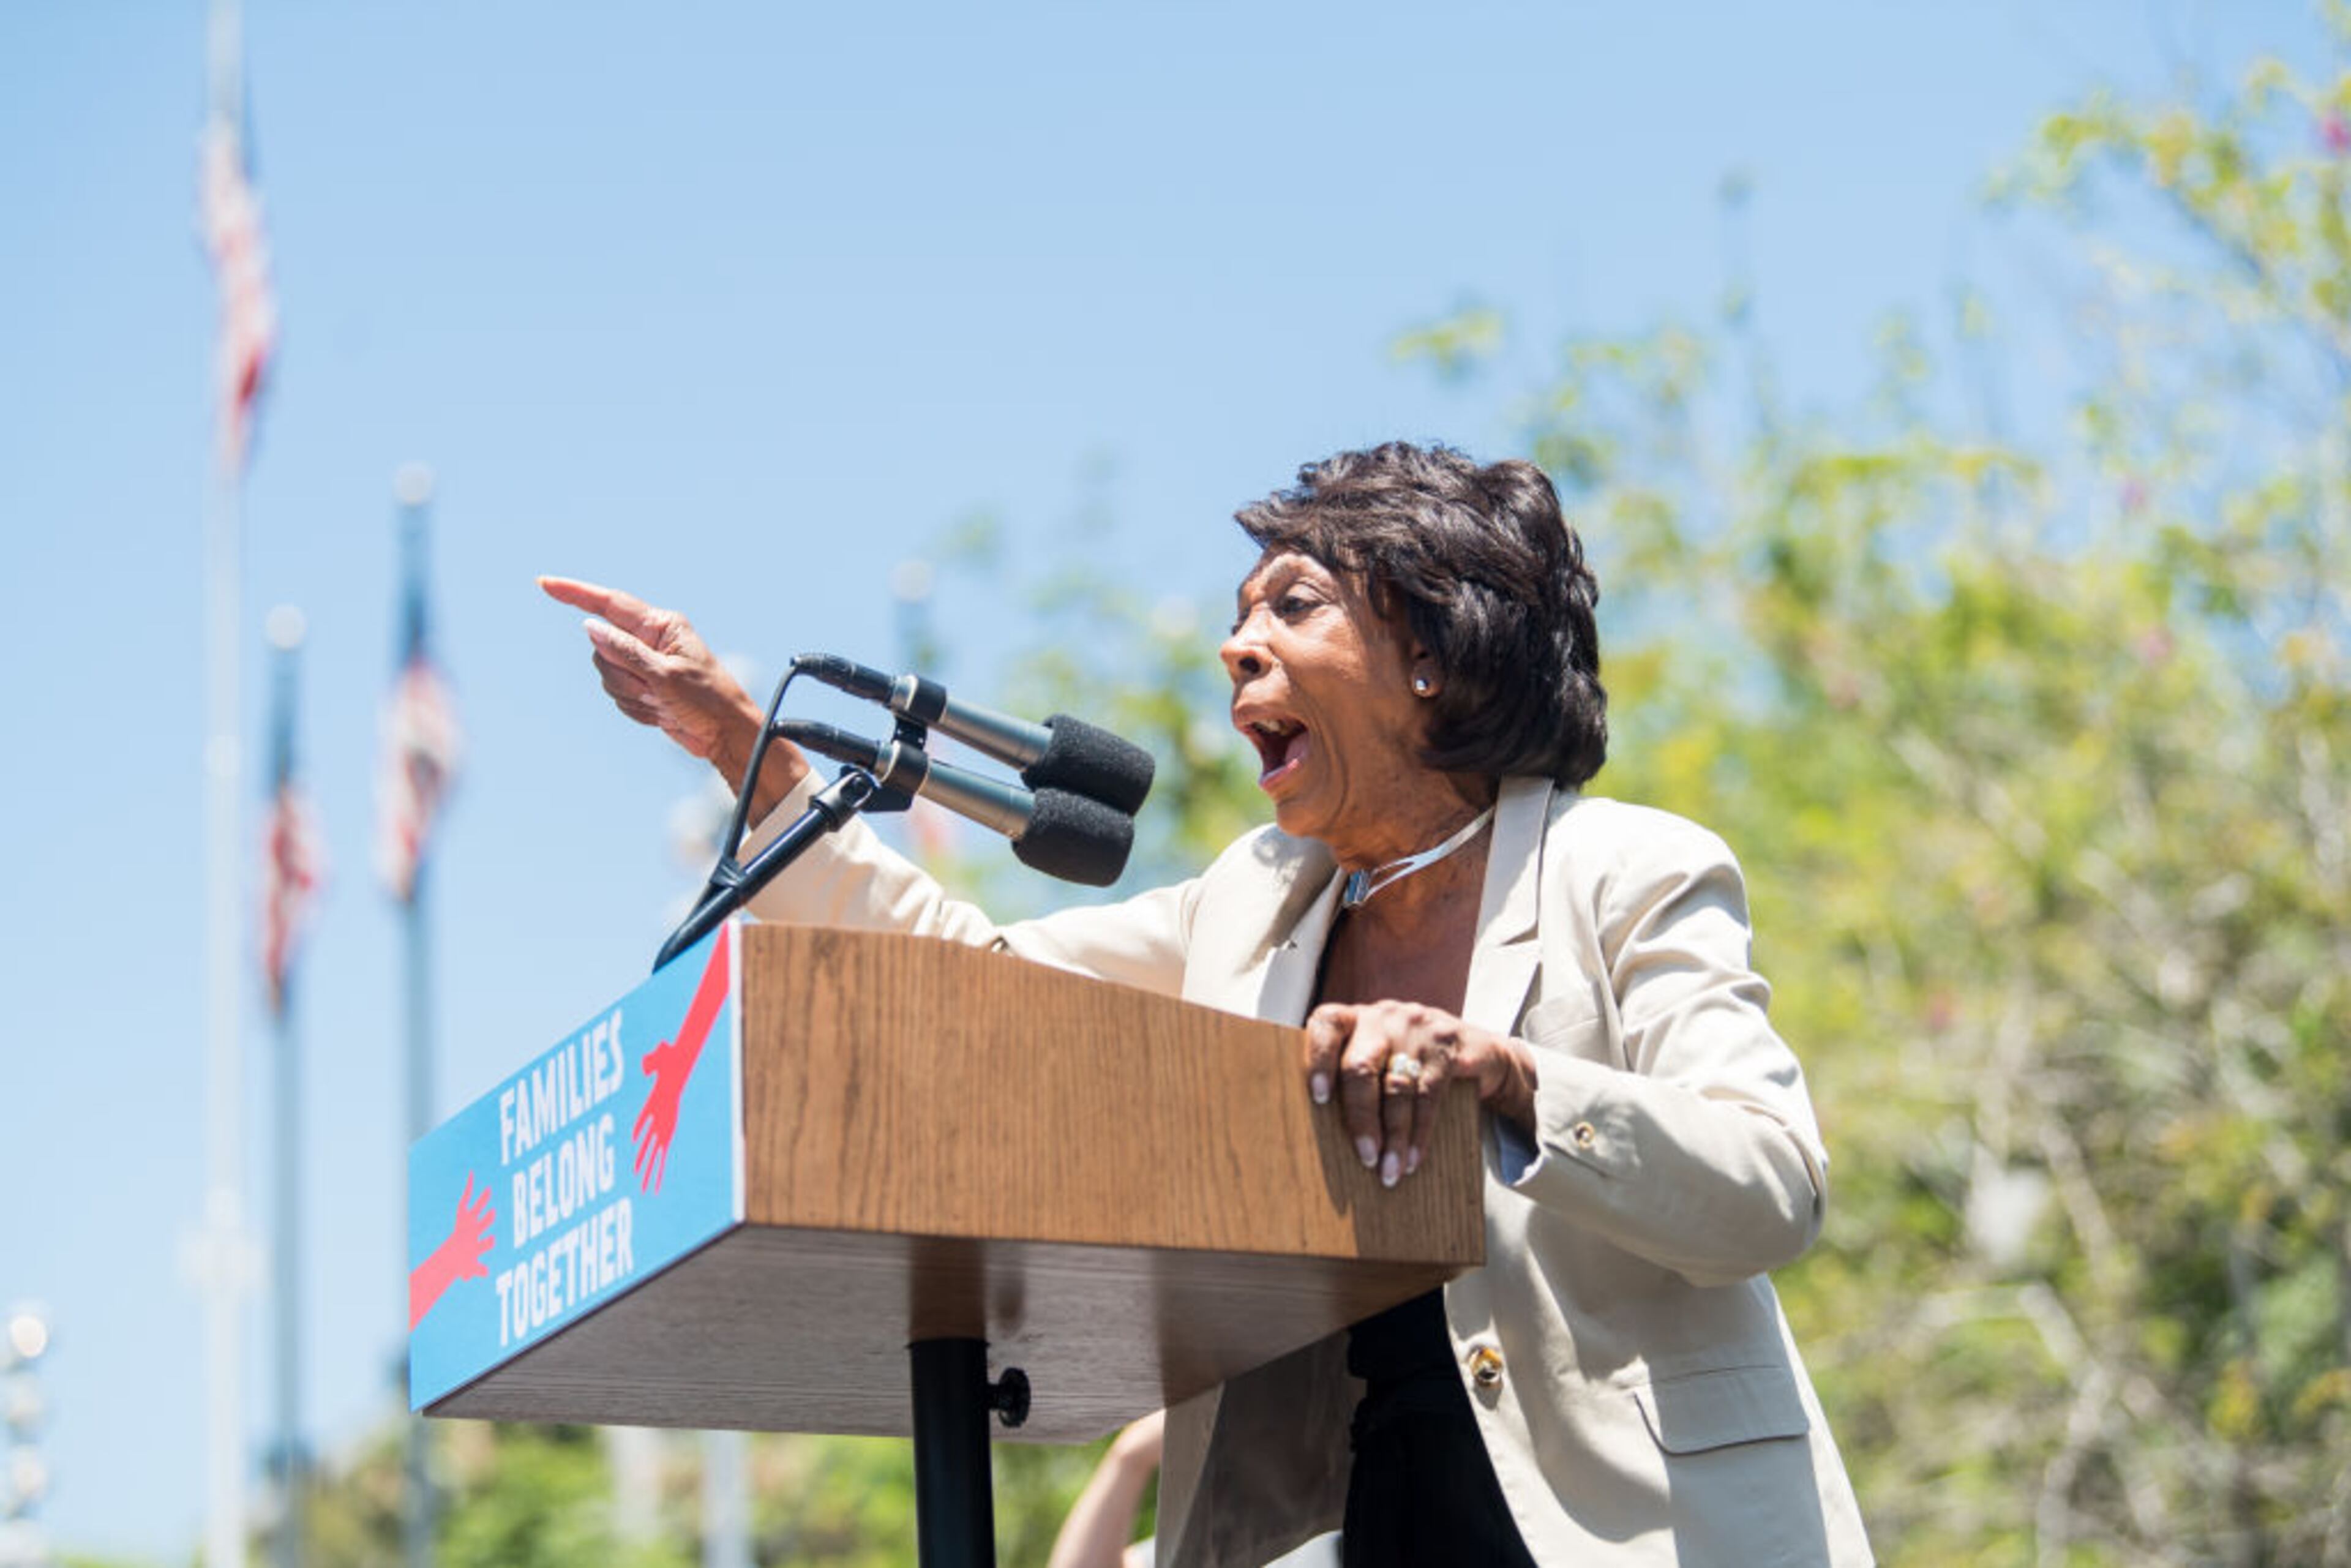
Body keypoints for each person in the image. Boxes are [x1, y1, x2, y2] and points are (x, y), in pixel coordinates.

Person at [541, 441, 1872, 1567]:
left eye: (1295, 605)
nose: (1238, 645)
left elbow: (1770, 1185)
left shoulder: (1625, 870)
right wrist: (742, 746)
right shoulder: (1255, 906)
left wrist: (1511, 1079)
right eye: (1242, 614)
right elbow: (980, 990)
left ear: (1432, 649)